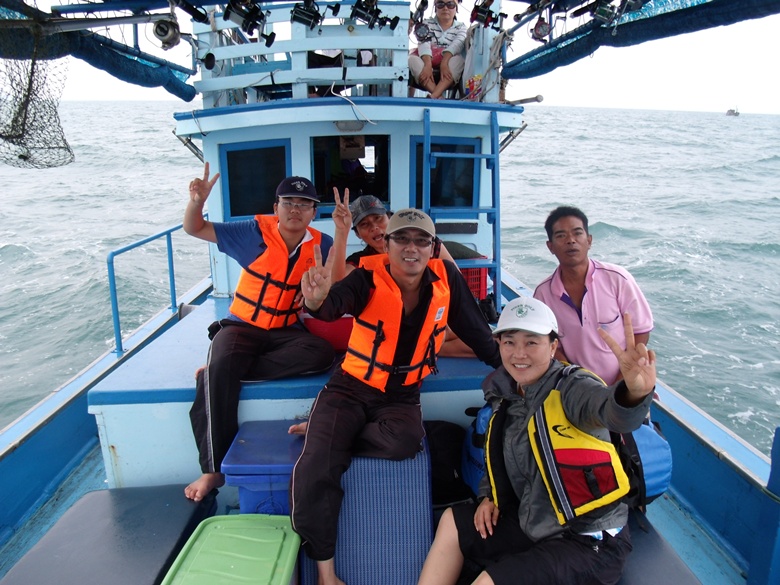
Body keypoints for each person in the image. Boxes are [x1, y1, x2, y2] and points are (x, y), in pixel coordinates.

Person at [289, 208, 502, 585]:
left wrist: (520, 373)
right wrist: (315, 301)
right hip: (350, 387)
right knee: (316, 468)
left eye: (422, 241)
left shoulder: (445, 278)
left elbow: (478, 333)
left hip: (402, 395)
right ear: (386, 245)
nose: (411, 248)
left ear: (433, 248)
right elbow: (330, 305)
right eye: (402, 238)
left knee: (406, 443)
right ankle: (326, 573)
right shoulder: (366, 278)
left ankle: (330, 432)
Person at [417, 297, 657, 585]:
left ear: (553, 346)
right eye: (510, 342)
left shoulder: (573, 387)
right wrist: (489, 497)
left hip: (586, 539)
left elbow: (611, 412)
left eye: (532, 342)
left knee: (486, 583)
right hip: (533, 521)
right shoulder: (506, 393)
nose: (520, 353)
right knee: (452, 523)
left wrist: (634, 393)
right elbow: (500, 458)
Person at [182, 163, 336, 502]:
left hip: (285, 330)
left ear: (314, 212)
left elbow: (326, 293)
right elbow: (195, 228)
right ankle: (213, 469)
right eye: (288, 202)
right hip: (243, 326)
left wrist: (315, 297)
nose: (295, 209)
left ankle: (222, 371)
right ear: (276, 207)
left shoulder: (323, 244)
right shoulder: (251, 232)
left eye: (304, 204)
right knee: (223, 364)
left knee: (322, 353)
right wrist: (197, 202)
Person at [331, 192, 469, 356]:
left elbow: (456, 281)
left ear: (390, 219)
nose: (374, 227)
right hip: (391, 330)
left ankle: (429, 348)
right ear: (358, 234)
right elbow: (337, 286)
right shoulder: (360, 260)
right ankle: (428, 348)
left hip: (433, 318)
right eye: (364, 224)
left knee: (482, 339)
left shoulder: (424, 244)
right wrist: (341, 231)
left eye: (378, 219)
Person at [533, 206, 653, 385]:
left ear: (589, 240)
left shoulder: (618, 279)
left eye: (577, 233)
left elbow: (641, 331)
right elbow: (549, 345)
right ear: (550, 247)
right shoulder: (543, 294)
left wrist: (621, 382)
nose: (571, 241)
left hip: (625, 383)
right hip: (576, 388)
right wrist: (576, 382)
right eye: (560, 235)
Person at [408, 0, 467, 99]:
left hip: (448, 63)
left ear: (456, 8)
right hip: (427, 61)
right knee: (411, 60)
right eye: (440, 4)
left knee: (459, 60)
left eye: (450, 4)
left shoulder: (461, 27)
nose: (445, 8)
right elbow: (424, 44)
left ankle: (434, 95)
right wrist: (427, 65)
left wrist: (444, 62)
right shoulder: (426, 23)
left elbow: (457, 45)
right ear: (435, 7)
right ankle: (439, 97)